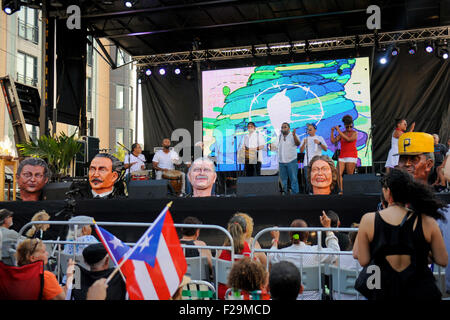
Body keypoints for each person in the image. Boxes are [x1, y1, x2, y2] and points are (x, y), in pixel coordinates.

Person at [352, 168, 448, 300]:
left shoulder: (369, 220)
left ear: (388, 192)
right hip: (420, 291)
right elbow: (443, 260)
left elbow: (363, 260)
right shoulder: (427, 221)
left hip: (384, 290)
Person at [269, 212, 340, 300]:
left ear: (290, 235)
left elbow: (271, 257)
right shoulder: (315, 251)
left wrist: (275, 240)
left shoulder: (282, 254)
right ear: (307, 236)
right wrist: (328, 229)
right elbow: (336, 252)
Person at [217, 214, 253, 300]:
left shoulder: (222, 248)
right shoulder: (246, 248)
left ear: (229, 229)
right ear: (246, 230)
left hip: (223, 294)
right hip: (240, 295)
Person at [330, 115, 358, 193]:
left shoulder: (354, 133)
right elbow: (333, 141)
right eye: (347, 127)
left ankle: (350, 191)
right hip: (342, 155)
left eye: (349, 126)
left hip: (351, 155)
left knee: (349, 175)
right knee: (338, 173)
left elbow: (349, 139)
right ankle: (341, 190)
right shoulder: (342, 133)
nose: (348, 128)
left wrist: (339, 131)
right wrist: (332, 131)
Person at [271, 122, 301, 194]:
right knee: (283, 180)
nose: (283, 128)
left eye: (285, 127)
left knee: (293, 179)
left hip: (291, 161)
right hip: (281, 162)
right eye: (282, 127)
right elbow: (274, 147)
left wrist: (294, 135)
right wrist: (271, 146)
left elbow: (298, 144)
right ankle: (284, 194)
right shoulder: (279, 137)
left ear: (289, 128)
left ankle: (295, 195)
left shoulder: (293, 135)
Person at [301, 123, 328, 192]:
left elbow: (325, 149)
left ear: (315, 130)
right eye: (308, 129)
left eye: (310, 129)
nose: (309, 130)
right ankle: (310, 192)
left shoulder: (319, 138)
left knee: (316, 178)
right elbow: (301, 151)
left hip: (317, 162)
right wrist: (304, 143)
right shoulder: (305, 138)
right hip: (307, 162)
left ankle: (318, 192)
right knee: (308, 179)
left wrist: (319, 143)